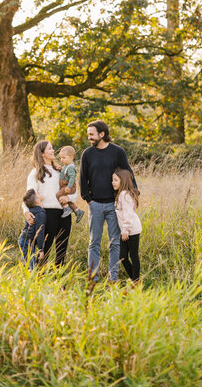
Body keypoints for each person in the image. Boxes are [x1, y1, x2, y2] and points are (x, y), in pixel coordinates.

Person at [80, 119, 137, 282]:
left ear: (102, 134)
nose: (89, 137)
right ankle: (93, 276)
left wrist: (133, 195)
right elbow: (83, 178)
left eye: (92, 134)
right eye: (88, 134)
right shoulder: (87, 154)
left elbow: (128, 173)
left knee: (115, 243)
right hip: (95, 204)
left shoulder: (117, 152)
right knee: (94, 243)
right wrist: (88, 199)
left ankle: (113, 277)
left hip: (115, 205)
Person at [23, 140, 78, 266]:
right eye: (50, 149)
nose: (53, 151)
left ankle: (59, 283)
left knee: (61, 250)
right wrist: (26, 211)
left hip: (64, 214)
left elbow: (74, 190)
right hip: (46, 214)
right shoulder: (36, 173)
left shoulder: (62, 170)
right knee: (44, 249)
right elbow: (28, 195)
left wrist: (69, 199)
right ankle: (39, 280)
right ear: (42, 153)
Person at [112, 168, 142, 283]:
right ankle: (134, 279)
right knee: (122, 256)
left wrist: (125, 230)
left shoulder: (124, 195)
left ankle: (136, 281)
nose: (112, 182)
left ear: (123, 181)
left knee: (133, 256)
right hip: (126, 230)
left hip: (131, 230)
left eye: (115, 180)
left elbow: (128, 214)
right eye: (112, 180)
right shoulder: (121, 194)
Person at [18, 188, 47, 270]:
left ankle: (26, 280)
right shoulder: (40, 213)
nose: (39, 191)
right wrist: (41, 249)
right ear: (37, 201)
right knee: (31, 267)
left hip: (25, 240)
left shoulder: (32, 211)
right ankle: (29, 281)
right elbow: (40, 231)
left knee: (28, 265)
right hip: (27, 242)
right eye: (38, 193)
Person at [56, 145, 85, 223]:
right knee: (67, 200)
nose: (61, 160)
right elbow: (65, 174)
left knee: (58, 195)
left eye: (64, 158)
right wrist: (60, 170)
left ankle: (66, 208)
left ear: (71, 157)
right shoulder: (66, 166)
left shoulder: (71, 167)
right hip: (66, 186)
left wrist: (69, 187)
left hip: (69, 186)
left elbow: (72, 178)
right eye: (61, 158)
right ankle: (77, 211)